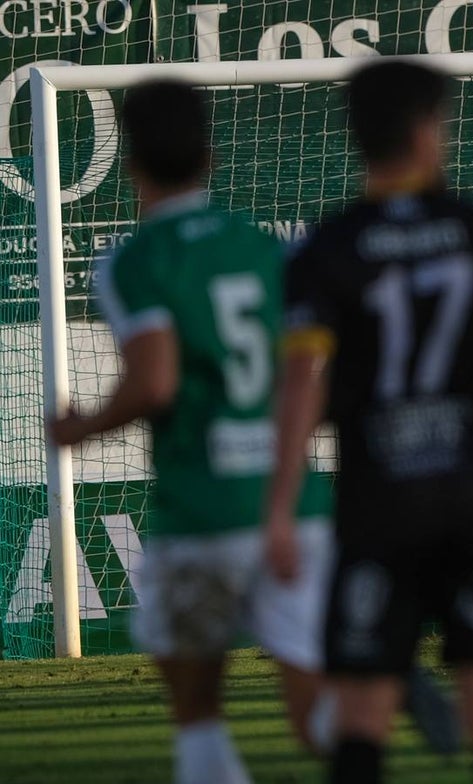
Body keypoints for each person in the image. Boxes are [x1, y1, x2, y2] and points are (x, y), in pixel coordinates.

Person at [263, 63, 473, 784]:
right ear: (427, 128)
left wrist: (279, 505)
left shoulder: (327, 246)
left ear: (356, 136)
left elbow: (301, 388)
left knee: (360, 722)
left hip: (380, 505)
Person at [48, 80, 335, 784]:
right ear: (211, 156)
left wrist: (82, 427)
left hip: (202, 509)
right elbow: (313, 376)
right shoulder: (267, 249)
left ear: (130, 164)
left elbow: (155, 381)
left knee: (199, 711)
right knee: (315, 716)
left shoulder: (133, 260)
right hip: (290, 505)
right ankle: (365, 716)